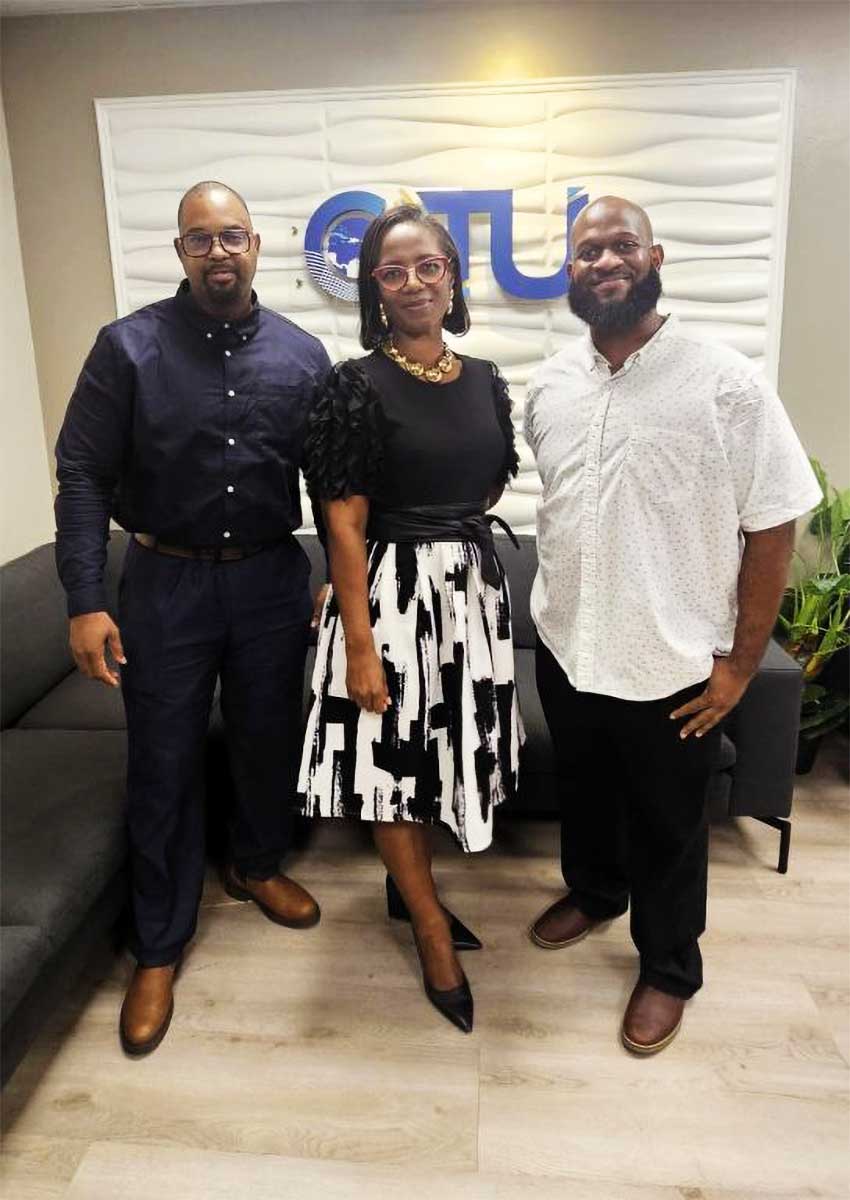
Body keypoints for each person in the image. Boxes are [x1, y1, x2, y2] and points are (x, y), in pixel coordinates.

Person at [524, 195, 821, 1054]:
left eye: (622, 247)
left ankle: (666, 967)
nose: (605, 262)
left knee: (669, 822)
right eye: (587, 252)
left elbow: (772, 524)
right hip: (569, 643)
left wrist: (737, 662)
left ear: (655, 258)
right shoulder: (549, 384)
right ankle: (593, 889)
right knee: (583, 796)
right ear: (570, 273)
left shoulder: (725, 381)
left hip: (672, 661)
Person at [55, 181, 331, 1056]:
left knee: (264, 739)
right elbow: (85, 477)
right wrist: (86, 598)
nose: (220, 253)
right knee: (164, 764)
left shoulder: (302, 355)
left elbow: (332, 485)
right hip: (163, 588)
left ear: (259, 246)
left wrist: (337, 579)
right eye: (201, 239)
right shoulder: (126, 350)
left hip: (269, 583)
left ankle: (255, 866)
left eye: (235, 237)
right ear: (180, 251)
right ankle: (160, 947)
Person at [298, 203, 523, 1033]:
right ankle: (430, 926)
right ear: (374, 289)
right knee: (395, 766)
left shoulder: (487, 380)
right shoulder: (352, 387)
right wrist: (358, 643)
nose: (414, 283)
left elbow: (488, 483)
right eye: (393, 272)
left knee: (441, 757)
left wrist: (457, 555)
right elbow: (344, 525)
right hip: (389, 600)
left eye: (427, 265)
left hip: (469, 592)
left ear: (452, 274)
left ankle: (412, 896)